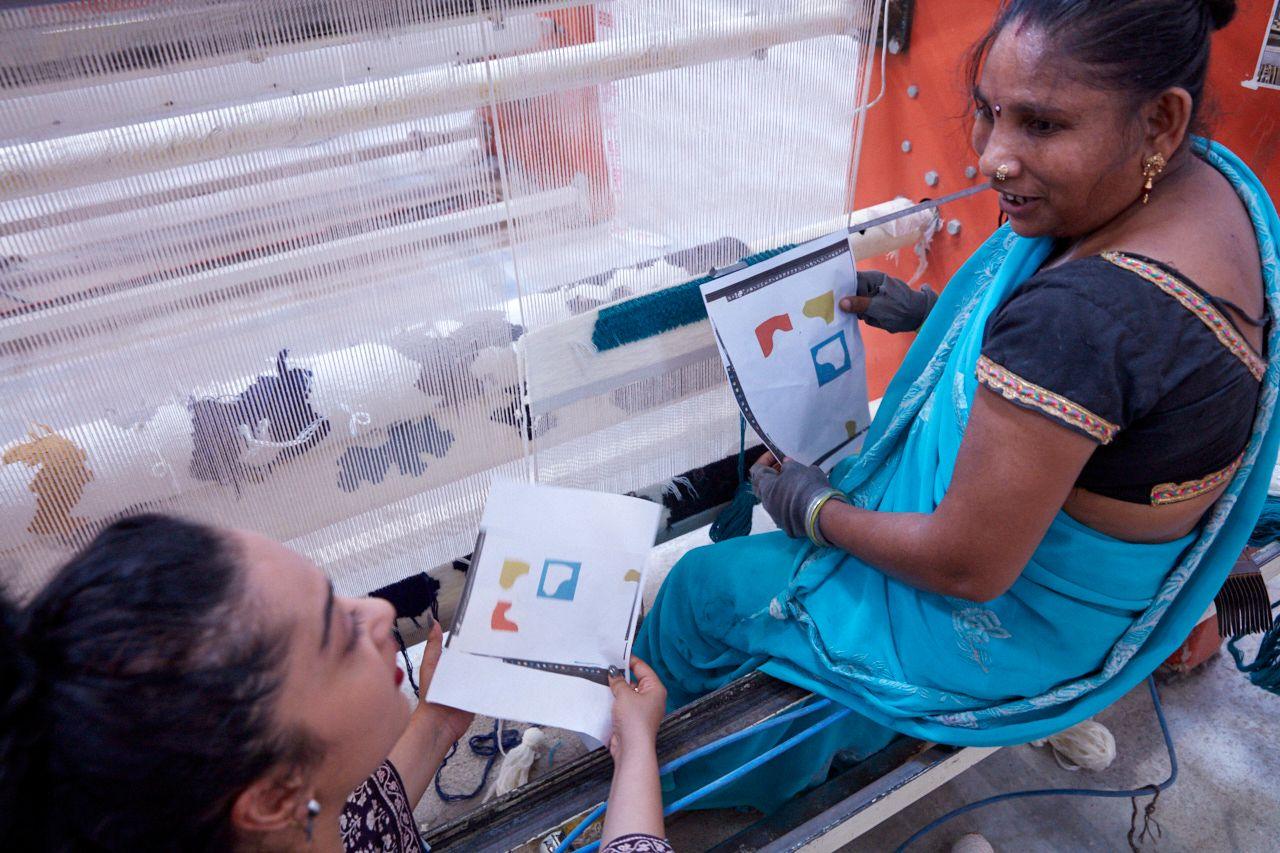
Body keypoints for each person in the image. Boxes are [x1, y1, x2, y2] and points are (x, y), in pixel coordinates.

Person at [635, 0, 1280, 813]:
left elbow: (968, 566)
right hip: (1115, 579)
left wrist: (811, 508)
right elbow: (1115, 386)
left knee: (701, 590)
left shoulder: (1086, 320)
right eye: (987, 111)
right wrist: (931, 315)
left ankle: (661, 784)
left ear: (1160, 118)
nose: (995, 156)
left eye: (1042, 125)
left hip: (1019, 626)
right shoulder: (1214, 187)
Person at [0, 513, 675, 851]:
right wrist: (637, 747)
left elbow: (362, 817)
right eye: (338, 631)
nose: (379, 611)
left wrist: (438, 720)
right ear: (272, 795)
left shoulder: (272, 819)